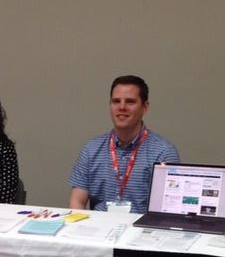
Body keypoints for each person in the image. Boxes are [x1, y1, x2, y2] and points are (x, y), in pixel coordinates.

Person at [68, 75, 179, 213]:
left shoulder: (163, 152)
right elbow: (77, 201)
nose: (121, 107)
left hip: (140, 231)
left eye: (130, 102)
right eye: (116, 101)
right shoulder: (91, 149)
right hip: (99, 230)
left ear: (145, 107)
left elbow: (167, 210)